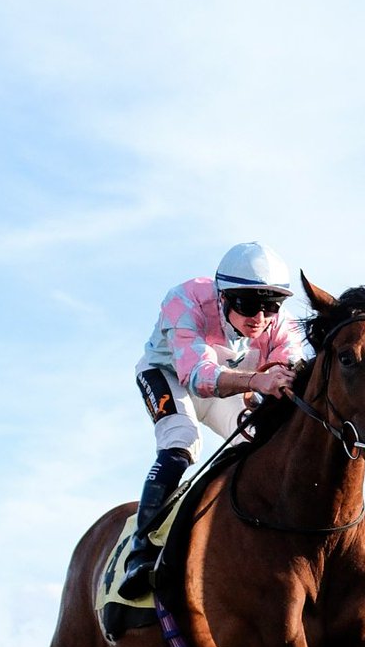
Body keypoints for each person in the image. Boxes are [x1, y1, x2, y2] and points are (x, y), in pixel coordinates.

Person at [118, 241, 307, 599]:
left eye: (271, 305)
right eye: (249, 304)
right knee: (182, 439)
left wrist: (274, 383)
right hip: (170, 375)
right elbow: (198, 377)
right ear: (223, 297)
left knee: (256, 444)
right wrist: (256, 381)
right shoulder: (185, 299)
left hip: (226, 381)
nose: (260, 318)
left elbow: (291, 367)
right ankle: (140, 553)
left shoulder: (280, 324)